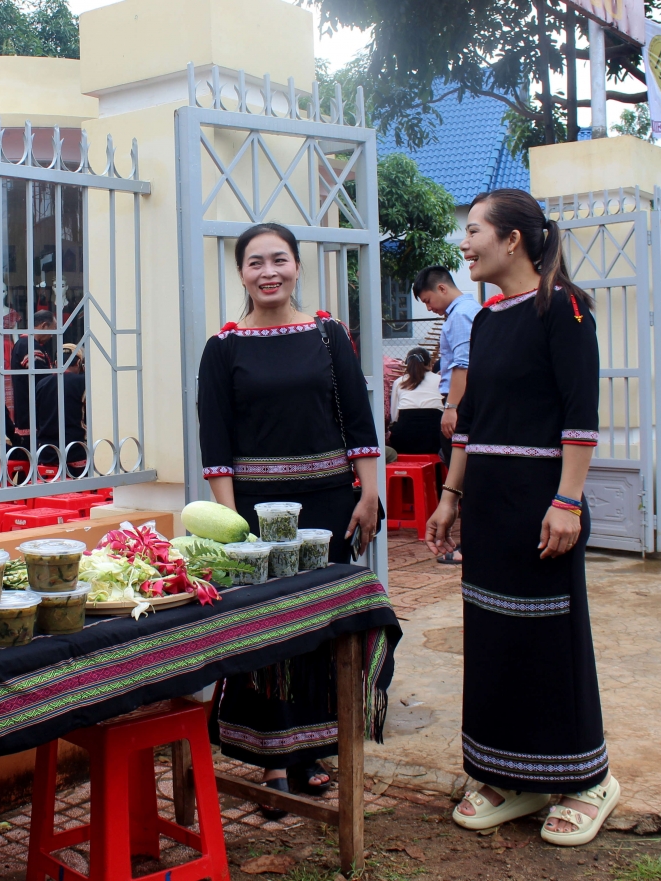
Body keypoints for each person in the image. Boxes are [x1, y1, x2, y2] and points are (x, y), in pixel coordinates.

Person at [425, 188, 616, 847]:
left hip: (543, 505)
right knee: (495, 637)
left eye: (473, 230)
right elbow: (471, 424)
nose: (464, 243)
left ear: (512, 240)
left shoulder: (563, 310)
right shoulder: (485, 319)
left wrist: (567, 500)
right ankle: (509, 774)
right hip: (489, 508)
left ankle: (587, 779)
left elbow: (580, 416)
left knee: (551, 641)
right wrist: (451, 496)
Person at [197, 222, 381, 814]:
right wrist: (230, 523)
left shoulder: (328, 337)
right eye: (255, 262)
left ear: (298, 266)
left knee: (318, 628)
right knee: (267, 630)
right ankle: (273, 758)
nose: (268, 272)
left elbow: (358, 421)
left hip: (328, 506)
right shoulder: (222, 348)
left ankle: (312, 751)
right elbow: (216, 444)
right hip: (255, 517)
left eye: (279, 260)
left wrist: (369, 494)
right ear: (241, 272)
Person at [412, 266, 478, 564]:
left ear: (442, 289)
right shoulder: (464, 312)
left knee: (465, 477)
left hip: (462, 405)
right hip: (463, 403)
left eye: (427, 300)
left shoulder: (462, 315)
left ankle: (470, 544)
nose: (428, 308)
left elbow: (462, 366)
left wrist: (452, 408)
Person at [36, 343, 87, 473]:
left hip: (47, 452)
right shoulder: (82, 382)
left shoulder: (41, 384)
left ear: (56, 363)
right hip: (75, 451)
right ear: (79, 363)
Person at [9, 310, 56, 448]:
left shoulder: (23, 343)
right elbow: (42, 382)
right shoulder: (29, 346)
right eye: (53, 330)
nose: (53, 335)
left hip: (27, 412)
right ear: (44, 326)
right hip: (32, 414)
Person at [387, 347, 443, 455]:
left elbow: (394, 417)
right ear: (430, 363)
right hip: (435, 438)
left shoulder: (399, 382)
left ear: (407, 363)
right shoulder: (440, 380)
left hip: (404, 439)